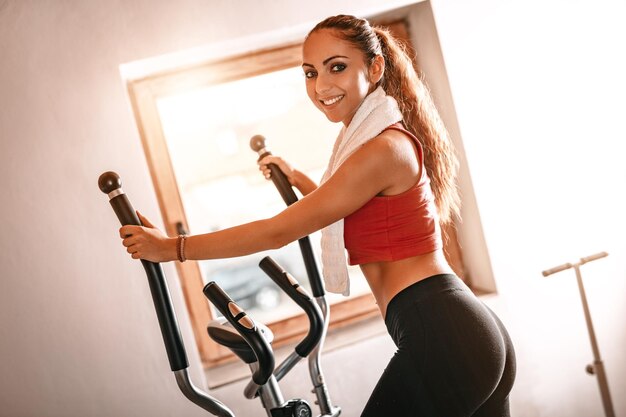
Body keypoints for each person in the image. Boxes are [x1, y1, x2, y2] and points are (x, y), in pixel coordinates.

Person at [120, 14, 516, 416]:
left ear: (375, 67)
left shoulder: (381, 150)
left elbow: (277, 232)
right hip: (459, 329)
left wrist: (173, 248)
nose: (321, 85)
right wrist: (299, 180)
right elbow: (349, 208)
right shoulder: (375, 144)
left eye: (337, 67)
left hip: (444, 333)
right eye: (310, 73)